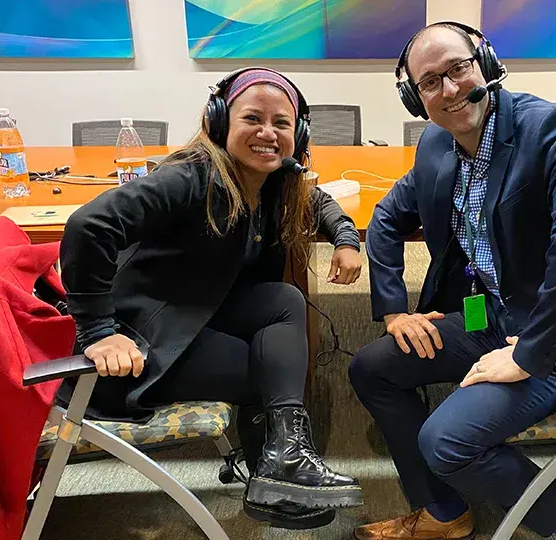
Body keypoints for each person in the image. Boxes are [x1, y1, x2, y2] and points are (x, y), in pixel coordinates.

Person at [348, 22, 556, 540]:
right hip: (496, 312)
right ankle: (445, 513)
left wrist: (527, 353)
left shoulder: (553, 128)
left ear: (485, 64)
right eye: (430, 82)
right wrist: (394, 309)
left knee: (444, 441)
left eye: (458, 69)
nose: (449, 89)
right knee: (372, 367)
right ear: (414, 97)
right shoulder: (438, 145)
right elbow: (385, 218)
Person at [59, 67, 363, 529]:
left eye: (282, 123)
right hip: (141, 345)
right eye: (252, 119)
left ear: (297, 134)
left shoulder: (271, 179)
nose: (268, 133)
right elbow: (88, 227)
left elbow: (317, 200)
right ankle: (274, 477)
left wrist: (345, 237)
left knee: (284, 300)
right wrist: (98, 331)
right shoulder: (188, 178)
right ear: (221, 122)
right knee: (274, 368)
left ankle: (278, 466)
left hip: (190, 314)